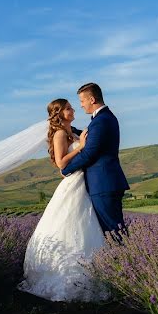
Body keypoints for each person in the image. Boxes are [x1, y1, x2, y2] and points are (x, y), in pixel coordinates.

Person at [18, 98, 110, 302]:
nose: (73, 109)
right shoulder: (60, 134)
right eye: (68, 108)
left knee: (85, 224)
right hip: (73, 183)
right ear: (59, 113)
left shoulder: (71, 131)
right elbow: (61, 163)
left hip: (83, 180)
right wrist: (81, 146)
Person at [61, 82, 130, 235]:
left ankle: (124, 258)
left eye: (82, 101)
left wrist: (66, 170)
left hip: (103, 184)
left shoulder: (101, 121)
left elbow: (89, 153)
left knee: (113, 231)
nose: (81, 105)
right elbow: (92, 137)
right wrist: (69, 129)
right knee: (113, 230)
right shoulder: (102, 118)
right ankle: (121, 256)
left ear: (91, 100)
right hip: (105, 183)